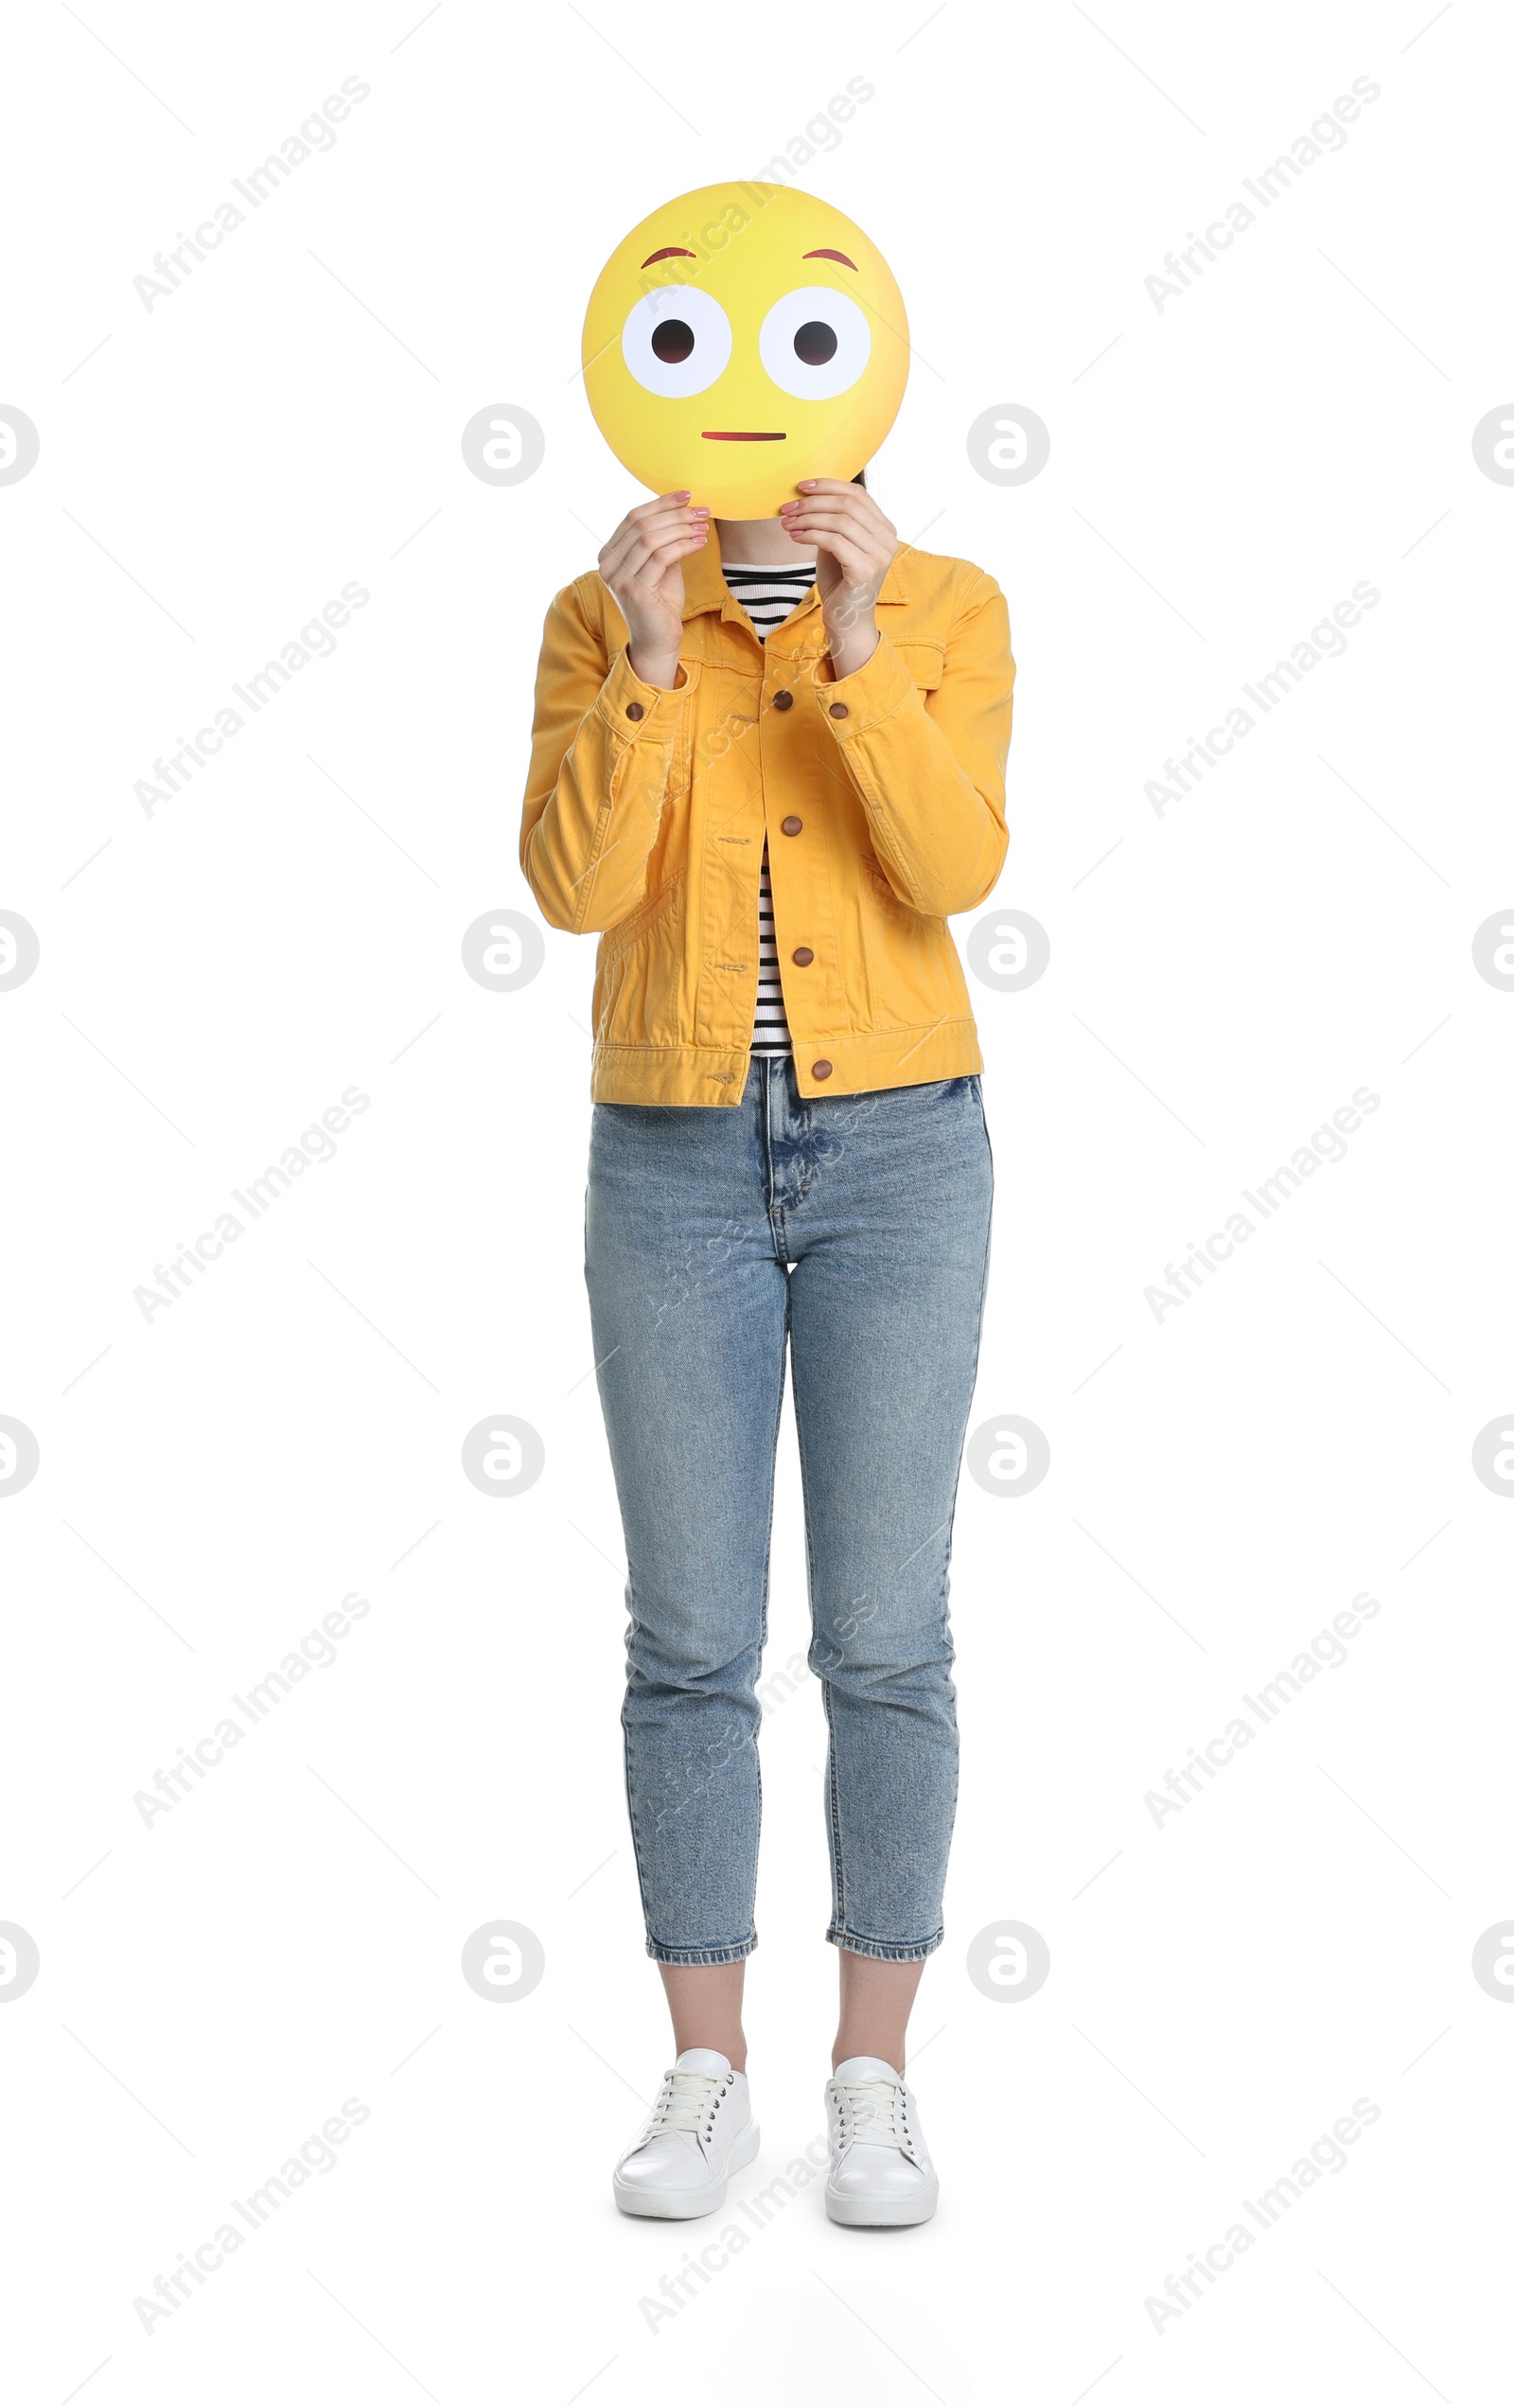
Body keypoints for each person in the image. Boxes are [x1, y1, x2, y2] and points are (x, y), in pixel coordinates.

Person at [520, 469, 1014, 2226]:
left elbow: (954, 864)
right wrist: (653, 657)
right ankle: (707, 2073)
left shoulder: (948, 602)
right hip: (670, 1155)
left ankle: (871, 2077)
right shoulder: (604, 610)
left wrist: (858, 645)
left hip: (900, 1152)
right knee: (691, 1638)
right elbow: (574, 888)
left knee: (888, 1635)